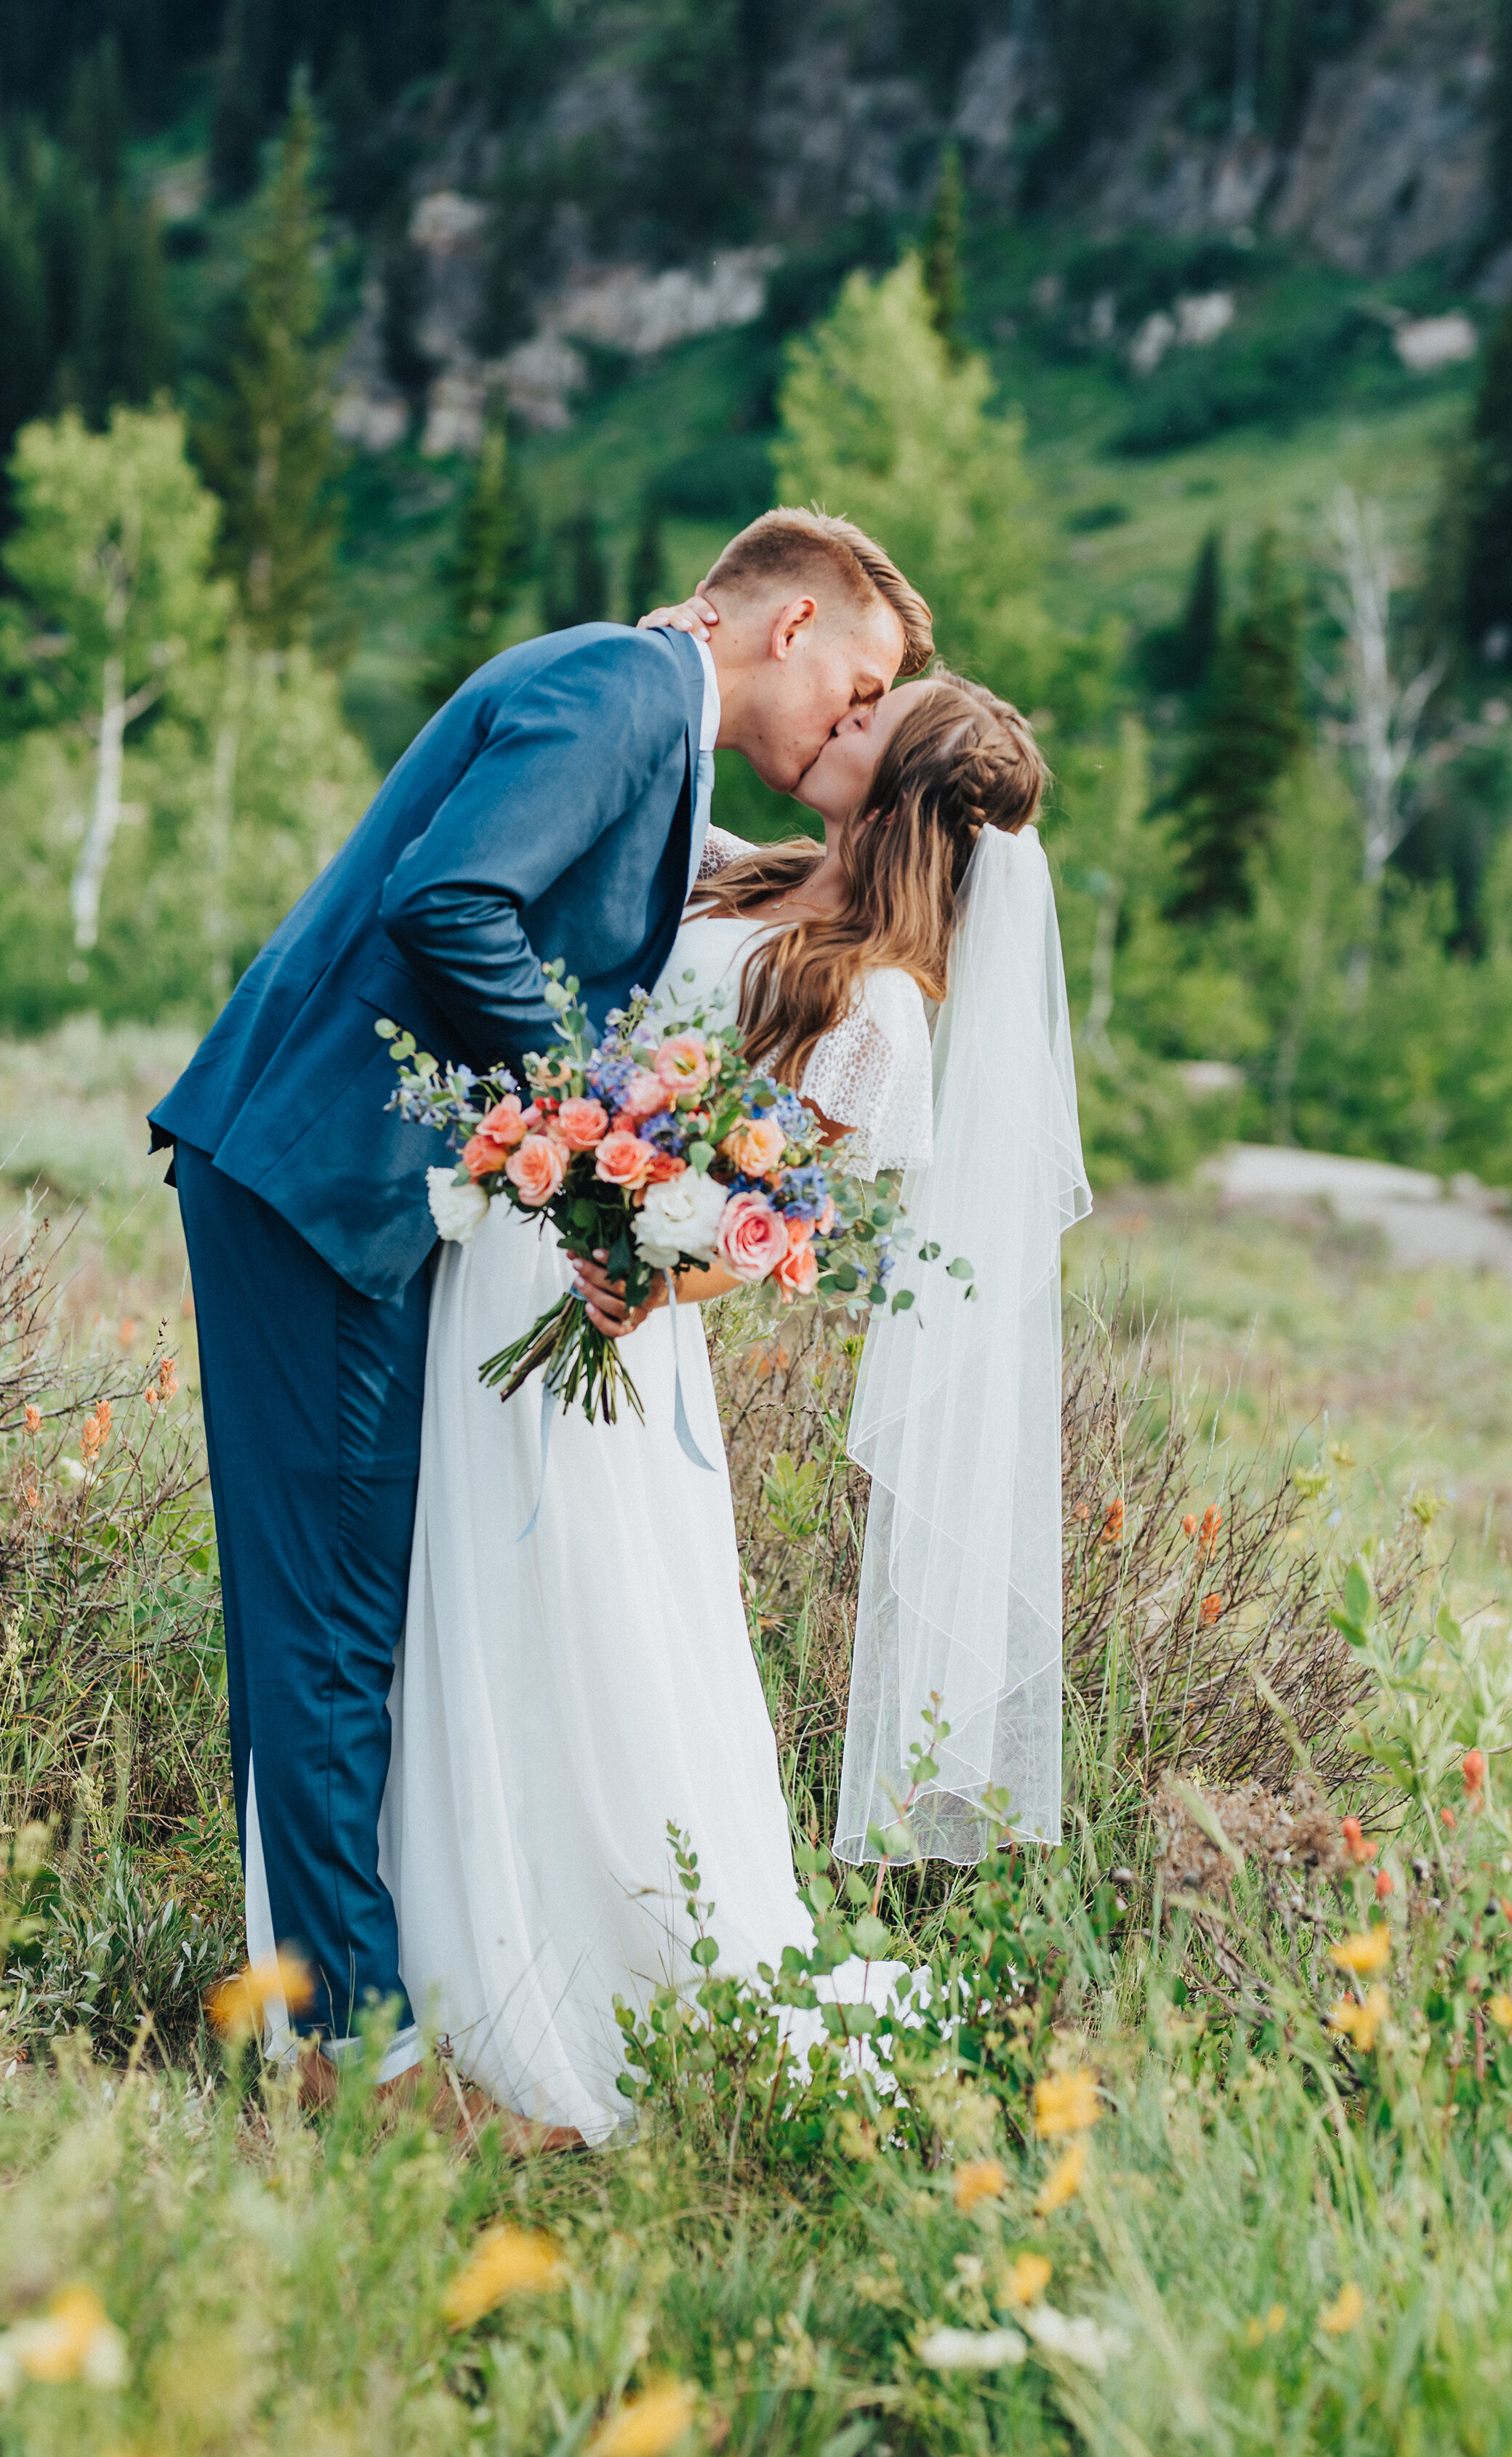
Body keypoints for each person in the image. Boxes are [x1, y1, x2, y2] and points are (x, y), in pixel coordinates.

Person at [148, 509, 931, 2115]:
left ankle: (346, 2017)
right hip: (319, 1184)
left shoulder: (637, 705)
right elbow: (453, 902)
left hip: (346, 1191)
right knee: (327, 1633)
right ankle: (352, 2058)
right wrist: (609, 1139)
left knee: (348, 1627)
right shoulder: (634, 695)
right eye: (854, 688)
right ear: (789, 627)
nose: (846, 728)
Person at [382, 647, 1092, 2144]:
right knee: (465, 1605)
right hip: (506, 1264)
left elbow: (784, 1229)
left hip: (604, 1326)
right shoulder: (747, 869)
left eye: (868, 721)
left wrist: (647, 1262)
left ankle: (575, 1973)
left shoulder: (883, 1004)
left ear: (897, 795)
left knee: (573, 1632)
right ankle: (424, 1927)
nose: (838, 717)